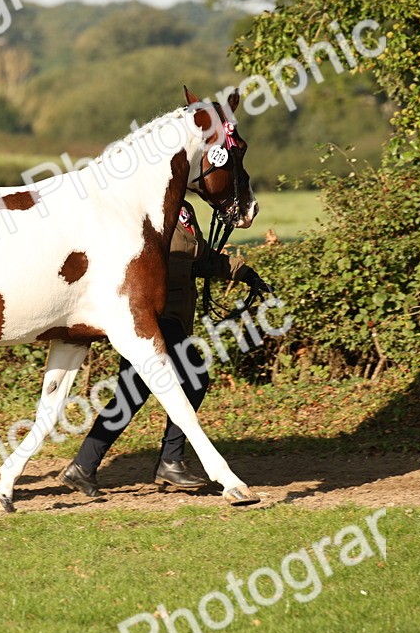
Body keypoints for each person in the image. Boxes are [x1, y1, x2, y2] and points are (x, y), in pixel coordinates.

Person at [59, 199, 270, 496]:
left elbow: (198, 258)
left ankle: (82, 466)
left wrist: (242, 272)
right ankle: (170, 461)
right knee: (195, 379)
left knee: (132, 393)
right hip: (152, 319)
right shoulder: (144, 207)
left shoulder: (182, 208)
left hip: (173, 318)